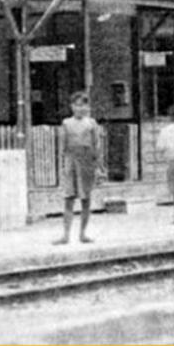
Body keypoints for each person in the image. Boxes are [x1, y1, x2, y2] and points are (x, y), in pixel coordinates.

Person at [54, 91, 103, 245]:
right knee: (69, 199)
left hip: (87, 162)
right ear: (71, 107)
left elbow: (97, 146)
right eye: (76, 105)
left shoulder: (92, 123)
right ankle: (66, 235)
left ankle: (83, 233)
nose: (79, 108)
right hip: (70, 161)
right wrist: (63, 165)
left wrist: (98, 167)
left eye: (82, 105)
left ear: (87, 107)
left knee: (85, 200)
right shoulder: (66, 123)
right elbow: (62, 146)